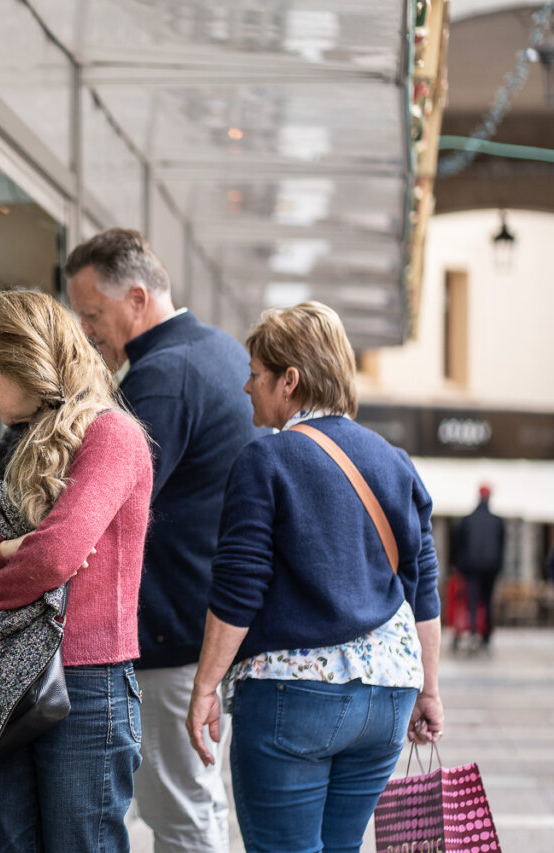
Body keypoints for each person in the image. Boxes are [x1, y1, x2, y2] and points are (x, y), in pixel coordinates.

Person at [185, 302, 445, 853]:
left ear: (290, 380)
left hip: (293, 695)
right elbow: (422, 587)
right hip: (388, 697)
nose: (247, 386)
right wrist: (430, 690)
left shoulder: (267, 460)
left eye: (255, 374)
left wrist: (205, 686)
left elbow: (240, 587)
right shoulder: (395, 461)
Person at [0, 290, 153, 852]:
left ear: (21, 359)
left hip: (87, 683)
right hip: (8, 678)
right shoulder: (17, 446)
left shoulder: (112, 435)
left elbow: (53, 557)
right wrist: (8, 552)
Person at [66, 227, 257, 852]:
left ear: (137, 299)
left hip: (172, 632)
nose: (87, 330)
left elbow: (104, 505)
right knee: (194, 802)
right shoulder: (219, 350)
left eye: (94, 314)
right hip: (205, 623)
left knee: (179, 810)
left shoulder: (162, 376)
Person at [451, 485, 505, 650]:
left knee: (472, 601)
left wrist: (457, 564)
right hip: (491, 567)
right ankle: (486, 636)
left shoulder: (468, 520)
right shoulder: (497, 521)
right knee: (488, 601)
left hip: (471, 567)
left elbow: (457, 544)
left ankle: (473, 632)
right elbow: (502, 546)